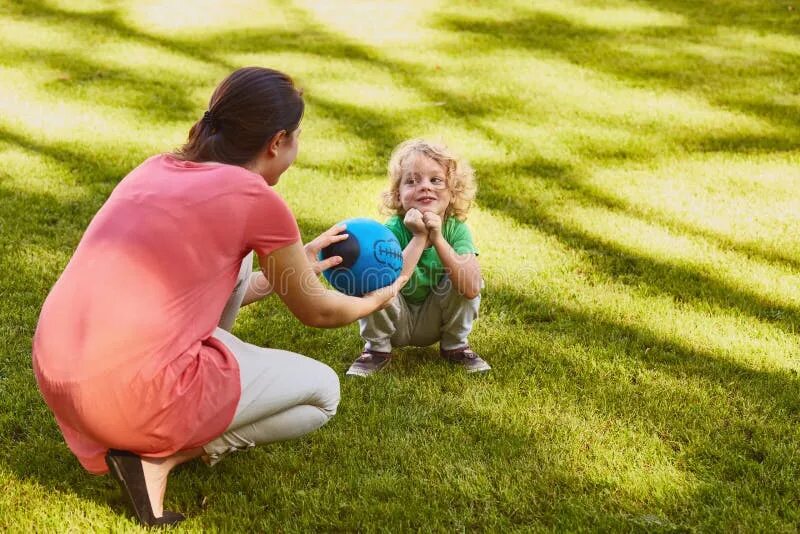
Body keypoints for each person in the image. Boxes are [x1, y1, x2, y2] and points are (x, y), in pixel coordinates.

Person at [31, 67, 405, 527]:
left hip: (58, 373)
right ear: (277, 141)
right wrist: (380, 298)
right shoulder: (255, 198)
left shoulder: (155, 168)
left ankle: (148, 437)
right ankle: (158, 460)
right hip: (128, 394)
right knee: (323, 393)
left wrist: (295, 262)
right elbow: (319, 311)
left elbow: (201, 286)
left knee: (241, 259)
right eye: (296, 138)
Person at [346, 139, 490, 377]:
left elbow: (472, 287)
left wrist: (438, 239)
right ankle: (377, 349)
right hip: (394, 319)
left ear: (453, 192)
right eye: (412, 181)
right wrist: (419, 238)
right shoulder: (392, 229)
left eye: (436, 180)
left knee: (465, 274)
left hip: (436, 320)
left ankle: (455, 345)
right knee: (374, 277)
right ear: (398, 195)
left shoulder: (456, 229)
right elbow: (392, 279)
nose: (425, 187)